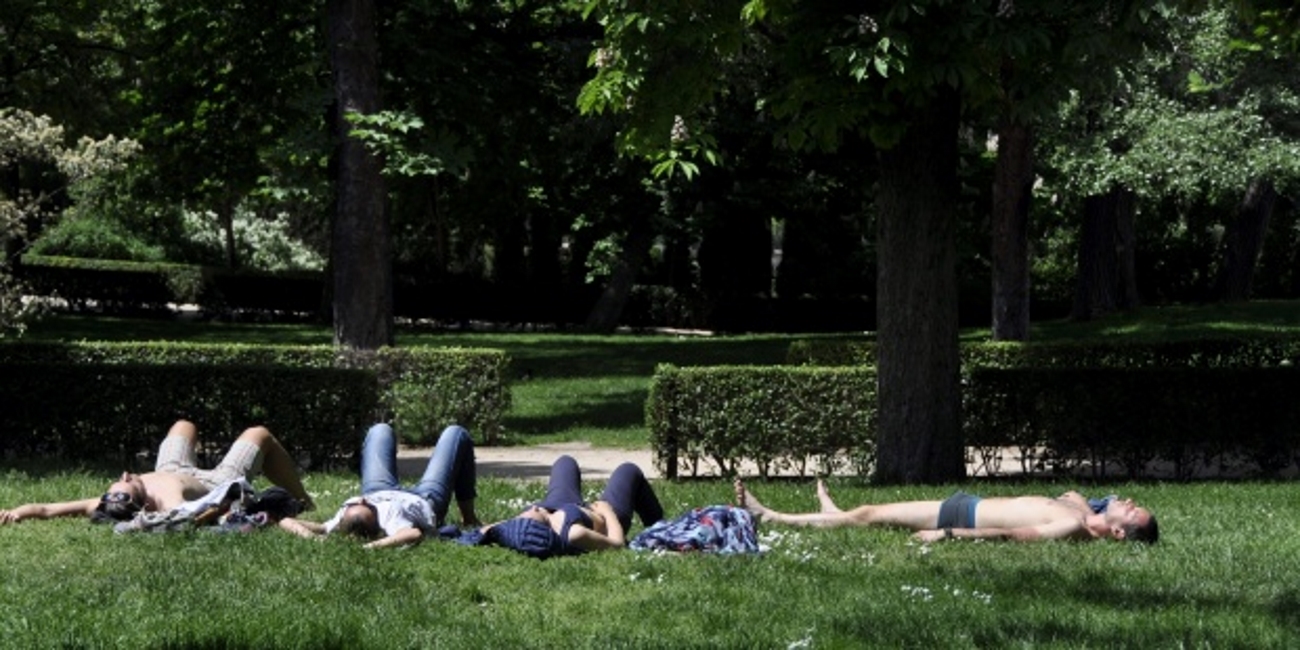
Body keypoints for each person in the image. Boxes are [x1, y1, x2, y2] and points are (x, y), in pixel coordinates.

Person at [0, 419, 315, 525]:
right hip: (216, 481)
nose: (125, 476)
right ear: (142, 503)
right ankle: (304, 499)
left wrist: (15, 512)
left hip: (171, 468)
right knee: (258, 434)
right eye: (128, 483)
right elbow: (188, 516)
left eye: (122, 480)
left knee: (183, 426)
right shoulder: (167, 499)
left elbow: (46, 509)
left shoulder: (110, 499)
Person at [735, 479, 1159, 544]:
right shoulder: (1079, 511)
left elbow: (1012, 536)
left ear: (1121, 534)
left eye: (1133, 511)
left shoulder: (1070, 526)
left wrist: (948, 535)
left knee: (866, 514)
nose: (1129, 502)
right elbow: (1072, 492)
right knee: (868, 511)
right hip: (965, 501)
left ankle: (770, 517)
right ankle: (834, 511)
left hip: (960, 517)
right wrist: (1101, 510)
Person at [279, 423, 480, 549]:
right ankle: (468, 517)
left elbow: (286, 522)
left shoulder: (340, 522)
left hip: (379, 488)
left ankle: (469, 517)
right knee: (456, 433)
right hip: (426, 497)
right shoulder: (392, 523)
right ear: (377, 525)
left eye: (353, 504)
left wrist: (314, 539)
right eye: (368, 506)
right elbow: (413, 534)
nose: (361, 499)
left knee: (379, 430)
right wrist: (371, 547)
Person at [477, 454, 665, 559]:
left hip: (558, 508)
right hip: (602, 519)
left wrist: (488, 529)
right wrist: (608, 512)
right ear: (541, 530)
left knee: (565, 462)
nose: (533, 508)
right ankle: (661, 529)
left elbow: (491, 529)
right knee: (629, 470)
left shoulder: (532, 522)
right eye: (532, 513)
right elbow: (618, 545)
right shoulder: (574, 533)